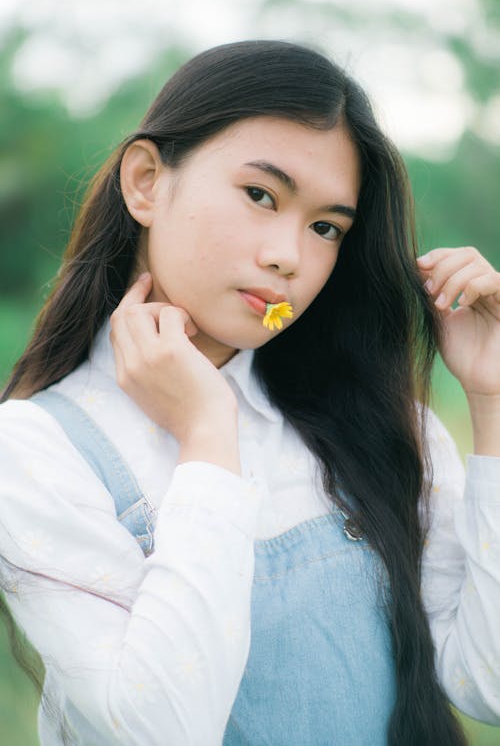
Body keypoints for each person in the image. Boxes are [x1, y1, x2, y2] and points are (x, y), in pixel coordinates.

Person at [0, 39, 499, 746]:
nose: (288, 256)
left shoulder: (379, 422)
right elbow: (160, 730)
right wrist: (209, 431)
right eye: (260, 195)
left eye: (326, 227)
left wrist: (492, 399)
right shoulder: (39, 448)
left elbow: (487, 682)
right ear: (145, 182)